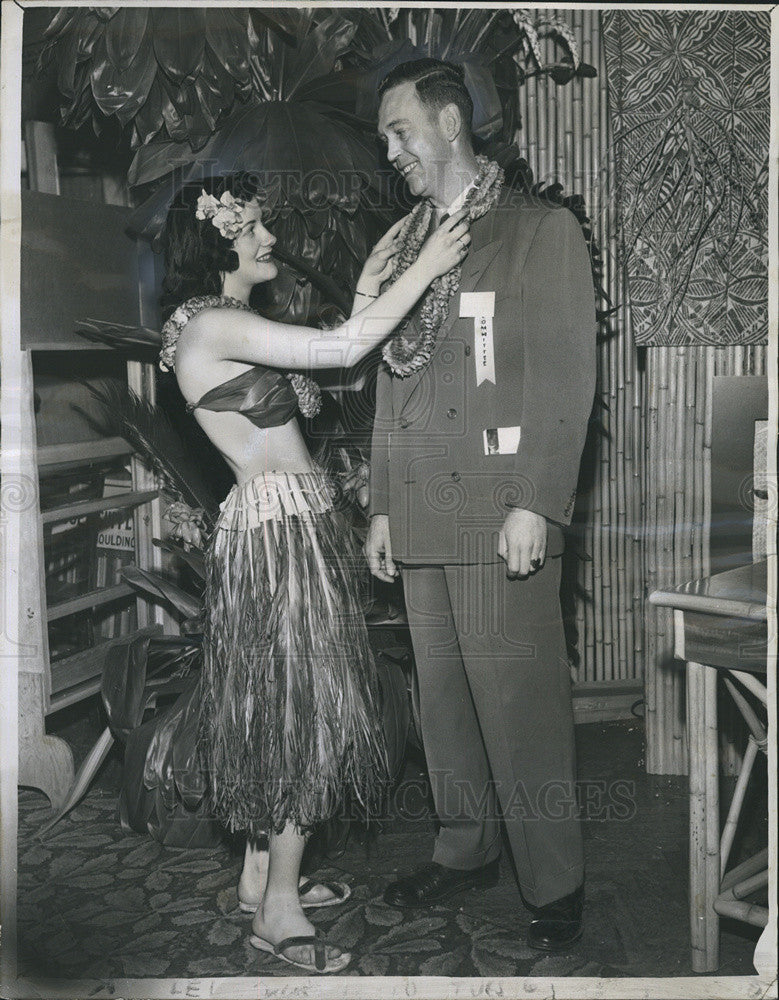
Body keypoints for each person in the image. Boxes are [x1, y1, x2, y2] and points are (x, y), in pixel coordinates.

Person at [158, 173, 470, 974]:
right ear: (218, 241)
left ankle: (261, 876)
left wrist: (373, 281)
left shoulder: (215, 323)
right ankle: (279, 913)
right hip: (282, 538)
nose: (268, 238)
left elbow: (336, 347)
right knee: (304, 714)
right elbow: (340, 349)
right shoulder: (216, 325)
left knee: (274, 707)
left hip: (277, 529)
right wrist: (428, 263)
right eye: (254, 227)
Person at [365, 59, 596, 952]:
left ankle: (554, 881)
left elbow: (565, 376)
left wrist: (536, 499)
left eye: (400, 132)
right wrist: (382, 505)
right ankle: (463, 849)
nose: (391, 152)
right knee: (444, 701)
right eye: (385, 138)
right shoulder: (399, 246)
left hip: (500, 504)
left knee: (519, 696)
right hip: (420, 508)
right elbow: (391, 378)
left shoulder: (538, 232)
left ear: (450, 121)